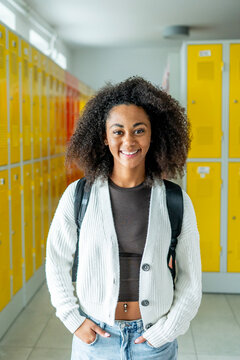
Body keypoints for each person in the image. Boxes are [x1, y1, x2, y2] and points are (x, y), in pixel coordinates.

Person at [45, 76, 202, 360]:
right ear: (104, 137)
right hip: (95, 338)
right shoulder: (78, 195)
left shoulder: (174, 200)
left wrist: (166, 332)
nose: (128, 140)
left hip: (153, 340)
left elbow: (191, 279)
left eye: (138, 130)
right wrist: (73, 319)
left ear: (153, 134)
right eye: (118, 131)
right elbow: (56, 260)